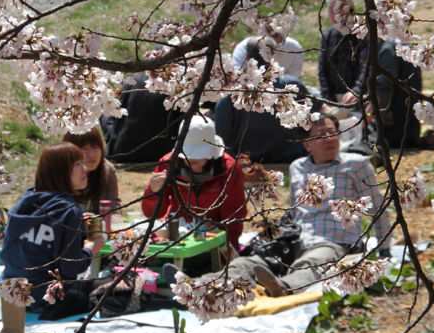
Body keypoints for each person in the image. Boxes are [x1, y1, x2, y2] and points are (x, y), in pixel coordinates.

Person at [196, 115, 392, 296]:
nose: (329, 138)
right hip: (295, 238)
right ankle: (203, 285)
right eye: (321, 135)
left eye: (333, 132)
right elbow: (294, 210)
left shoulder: (357, 166)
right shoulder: (298, 167)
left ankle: (283, 287)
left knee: (309, 264)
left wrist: (384, 250)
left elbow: (378, 207)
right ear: (307, 144)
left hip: (333, 241)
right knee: (250, 262)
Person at [1, 142, 104, 319]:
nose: (85, 169)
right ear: (61, 172)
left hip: (11, 293)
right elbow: (71, 267)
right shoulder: (69, 211)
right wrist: (91, 246)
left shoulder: (24, 201)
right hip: (47, 299)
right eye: (78, 164)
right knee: (113, 285)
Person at [142, 115, 247, 250]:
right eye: (187, 159)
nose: (191, 165)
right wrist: (154, 193)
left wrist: (226, 248)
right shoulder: (169, 163)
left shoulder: (228, 169)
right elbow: (152, 215)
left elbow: (234, 217)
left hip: (214, 239)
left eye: (196, 161)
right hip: (177, 236)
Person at [216, 36, 311, 163]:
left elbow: (222, 135)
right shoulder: (293, 86)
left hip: (245, 159)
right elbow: (308, 124)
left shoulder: (230, 94)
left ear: (247, 58)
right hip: (290, 157)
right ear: (273, 56)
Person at [101, 73, 184, 162]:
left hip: (123, 150)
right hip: (161, 152)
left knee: (106, 115)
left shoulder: (133, 78)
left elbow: (117, 113)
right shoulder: (175, 81)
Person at [318, 0, 369, 106]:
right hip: (334, 98)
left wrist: (356, 91)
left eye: (339, 8)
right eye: (331, 9)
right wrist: (327, 97)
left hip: (359, 97)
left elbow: (366, 66)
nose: (333, 13)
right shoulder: (328, 35)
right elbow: (322, 69)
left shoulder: (362, 33)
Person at [63, 127, 119, 220]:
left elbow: (112, 209)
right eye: (84, 148)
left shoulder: (107, 170)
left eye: (95, 147)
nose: (92, 155)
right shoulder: (58, 173)